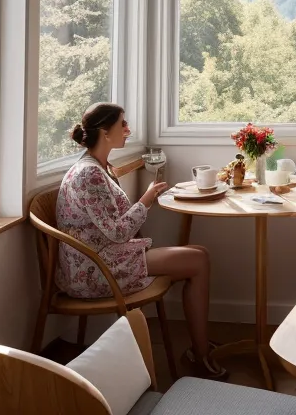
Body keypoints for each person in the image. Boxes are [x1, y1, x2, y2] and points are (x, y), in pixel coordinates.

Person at [55, 102, 226, 379]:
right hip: (95, 271)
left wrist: (146, 199)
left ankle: (200, 347)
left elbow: (112, 226)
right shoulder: (89, 174)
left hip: (104, 258)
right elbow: (118, 232)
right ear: (105, 132)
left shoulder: (99, 167)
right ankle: (200, 353)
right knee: (198, 259)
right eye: (122, 124)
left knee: (198, 253)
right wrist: (146, 200)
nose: (128, 129)